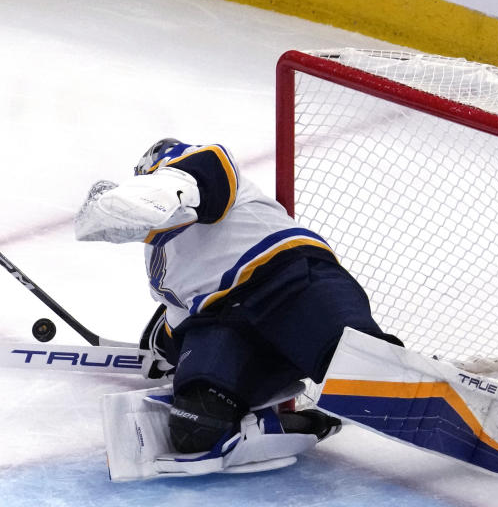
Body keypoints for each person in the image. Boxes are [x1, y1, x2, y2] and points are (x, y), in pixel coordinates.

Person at [75, 139, 401, 455]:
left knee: (364, 370)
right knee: (195, 425)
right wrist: (166, 351)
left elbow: (199, 177)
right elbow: (182, 317)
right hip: (226, 323)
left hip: (289, 284)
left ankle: (435, 385)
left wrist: (127, 200)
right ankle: (296, 423)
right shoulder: (158, 259)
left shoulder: (199, 168)